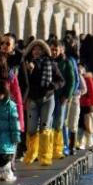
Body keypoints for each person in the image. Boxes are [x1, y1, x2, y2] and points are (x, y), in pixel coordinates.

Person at [21, 39, 63, 167]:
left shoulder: (50, 63)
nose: (36, 51)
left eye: (39, 49)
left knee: (45, 128)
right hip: (32, 99)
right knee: (32, 128)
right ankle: (31, 154)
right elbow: (22, 82)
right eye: (34, 49)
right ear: (31, 51)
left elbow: (61, 80)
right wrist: (29, 71)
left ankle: (45, 156)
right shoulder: (25, 64)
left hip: (47, 98)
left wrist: (52, 86)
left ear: (44, 51)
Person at [50, 37, 77, 160]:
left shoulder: (66, 62)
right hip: (49, 97)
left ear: (61, 50)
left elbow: (72, 81)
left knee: (60, 122)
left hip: (61, 97)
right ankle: (52, 147)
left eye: (56, 49)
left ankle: (64, 146)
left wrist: (67, 95)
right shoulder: (48, 61)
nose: (54, 52)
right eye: (52, 49)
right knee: (50, 123)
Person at [79, 70, 93, 149]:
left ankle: (88, 142)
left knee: (88, 124)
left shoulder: (87, 78)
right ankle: (83, 142)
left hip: (87, 104)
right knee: (82, 124)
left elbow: (92, 92)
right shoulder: (81, 78)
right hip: (80, 104)